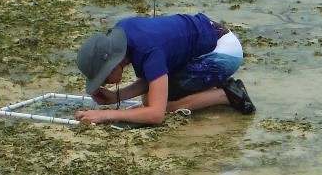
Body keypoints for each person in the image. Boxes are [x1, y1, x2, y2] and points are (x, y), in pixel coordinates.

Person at [74, 12, 255, 127]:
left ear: (112, 63)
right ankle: (210, 85)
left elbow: (156, 115)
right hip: (209, 34)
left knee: (160, 105)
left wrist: (104, 115)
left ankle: (226, 94)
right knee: (151, 97)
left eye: (103, 77)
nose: (104, 83)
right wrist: (115, 96)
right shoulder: (122, 32)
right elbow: (152, 77)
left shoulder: (148, 50)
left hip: (224, 52)